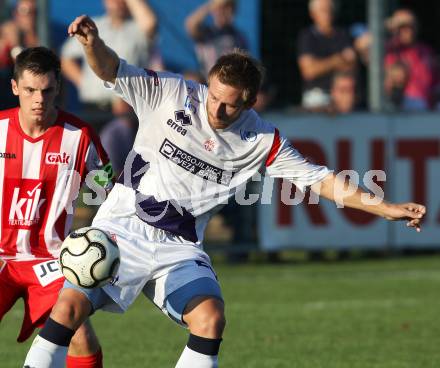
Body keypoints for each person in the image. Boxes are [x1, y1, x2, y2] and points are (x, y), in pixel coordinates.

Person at [23, 16, 426, 368]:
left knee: (210, 318)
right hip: (121, 230)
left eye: (228, 105)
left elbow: (319, 180)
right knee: (69, 309)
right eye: (213, 96)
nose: (214, 110)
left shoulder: (261, 139)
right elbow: (111, 69)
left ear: (249, 102)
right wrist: (93, 45)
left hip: (178, 247)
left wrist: (386, 207)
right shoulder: (172, 92)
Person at [0, 47, 113, 367]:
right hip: (1, 255)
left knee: (80, 337)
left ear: (59, 88)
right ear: (14, 88)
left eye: (47, 90)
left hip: (49, 258)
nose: (39, 99)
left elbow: (109, 190)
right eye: (30, 90)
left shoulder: (81, 136)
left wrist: (99, 234)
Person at [61, 0, 161, 116]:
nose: (117, 2)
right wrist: (84, 83)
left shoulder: (138, 29)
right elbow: (66, 57)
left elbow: (150, 24)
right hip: (91, 108)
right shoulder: (94, 26)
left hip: (126, 110)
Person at [297, 0, 356, 110]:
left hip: (341, 95)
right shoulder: (307, 36)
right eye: (323, 10)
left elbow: (350, 65)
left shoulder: (342, 34)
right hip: (317, 96)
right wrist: (336, 60)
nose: (328, 14)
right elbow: (309, 71)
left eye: (330, 10)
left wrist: (321, 64)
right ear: (313, 14)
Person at [384, 9, 440, 111]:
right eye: (403, 27)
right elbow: (363, 45)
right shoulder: (387, 49)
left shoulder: (426, 51)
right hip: (399, 108)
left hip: (428, 108)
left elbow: (436, 82)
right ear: (393, 28)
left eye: (411, 26)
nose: (408, 30)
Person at [185, 0, 247, 79]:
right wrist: (211, 6)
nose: (225, 12)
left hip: (230, 82)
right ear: (214, 10)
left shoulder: (239, 37)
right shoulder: (206, 33)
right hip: (206, 80)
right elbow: (190, 24)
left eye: (229, 8)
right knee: (191, 78)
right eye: (222, 8)